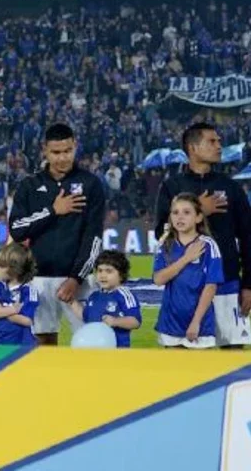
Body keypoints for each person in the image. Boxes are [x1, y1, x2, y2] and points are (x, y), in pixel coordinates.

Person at [152, 123, 251, 349]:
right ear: (193, 148)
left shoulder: (231, 187)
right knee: (182, 357)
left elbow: (248, 237)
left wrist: (249, 284)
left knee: (232, 358)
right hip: (184, 287)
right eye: (212, 141)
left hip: (227, 283)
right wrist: (199, 211)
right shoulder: (172, 186)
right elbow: (161, 234)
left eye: (218, 141)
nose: (219, 146)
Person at [8, 124, 106, 346]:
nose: (62, 158)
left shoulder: (91, 185)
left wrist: (76, 278)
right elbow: (17, 228)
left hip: (76, 279)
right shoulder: (30, 185)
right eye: (56, 152)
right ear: (44, 150)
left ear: (75, 147)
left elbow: (94, 238)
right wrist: (53, 211)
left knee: (90, 343)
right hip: (38, 278)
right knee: (42, 342)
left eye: (67, 151)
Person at [153, 193, 222, 349]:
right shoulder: (165, 244)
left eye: (186, 212)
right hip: (170, 324)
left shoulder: (208, 245)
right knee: (172, 373)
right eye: (175, 212)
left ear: (198, 217)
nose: (180, 217)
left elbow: (211, 286)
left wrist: (196, 322)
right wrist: (186, 258)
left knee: (200, 372)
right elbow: (158, 279)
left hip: (200, 325)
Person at [66, 250, 141, 348]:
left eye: (109, 271)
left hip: (118, 353)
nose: (103, 275)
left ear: (121, 275)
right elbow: (86, 316)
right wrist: (71, 301)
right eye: (100, 270)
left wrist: (115, 321)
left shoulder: (124, 295)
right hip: (94, 351)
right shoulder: (94, 296)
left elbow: (135, 322)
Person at [0, 243, 39, 346]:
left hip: (21, 342)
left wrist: (2, 311)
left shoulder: (28, 291)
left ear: (15, 269)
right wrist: (12, 310)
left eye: (2, 266)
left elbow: (27, 321)